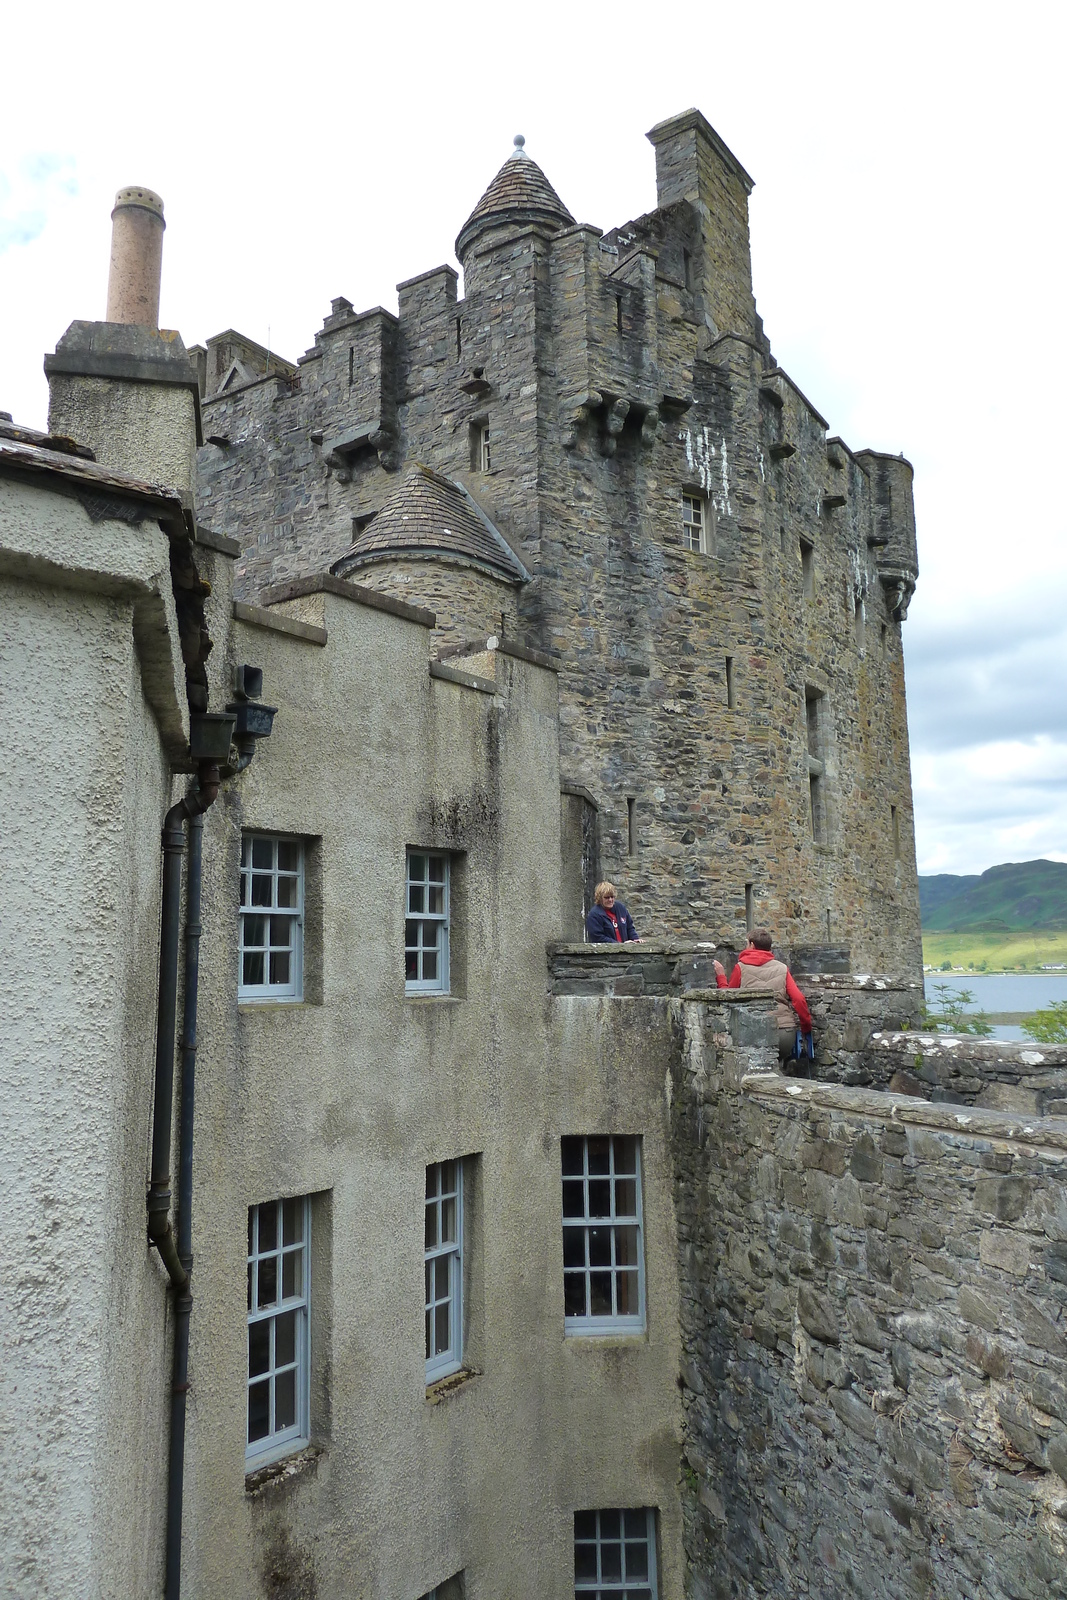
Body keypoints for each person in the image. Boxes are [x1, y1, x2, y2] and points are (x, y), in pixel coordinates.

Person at [713, 927, 813, 1064]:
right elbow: (799, 999)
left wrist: (721, 976)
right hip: (785, 1033)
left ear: (752, 945)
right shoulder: (782, 968)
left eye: (746, 943)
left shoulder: (740, 968)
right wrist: (806, 1028)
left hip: (754, 1032)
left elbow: (728, 998)